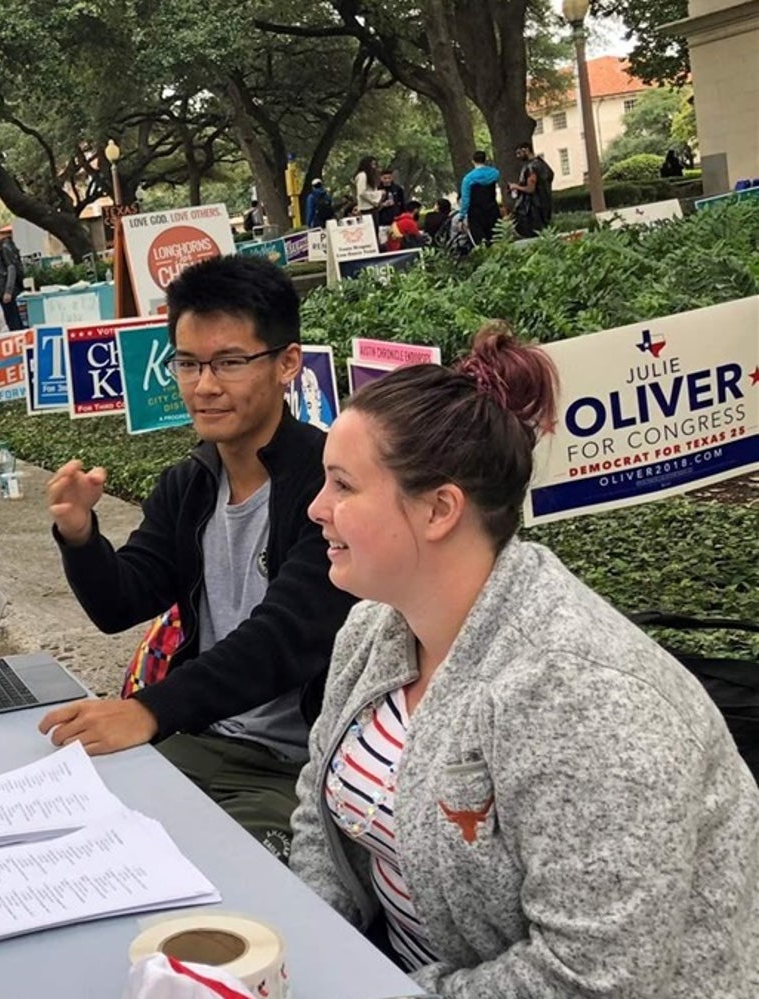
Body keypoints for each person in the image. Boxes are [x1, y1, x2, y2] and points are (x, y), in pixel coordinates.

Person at [292, 326, 759, 994]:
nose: (317, 507)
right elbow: (319, 806)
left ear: (439, 508)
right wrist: (316, 946)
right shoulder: (373, 629)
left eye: (342, 485)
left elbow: (599, 976)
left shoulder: (586, 698)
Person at [39, 255, 357, 859]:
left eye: (230, 362)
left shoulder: (328, 488)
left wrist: (148, 709)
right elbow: (121, 601)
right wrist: (81, 536)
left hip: (295, 768)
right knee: (74, 837)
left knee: (218, 880)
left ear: (288, 362)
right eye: (188, 363)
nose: (204, 385)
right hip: (203, 739)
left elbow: (284, 639)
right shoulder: (189, 484)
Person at [509, 144, 554, 238]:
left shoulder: (531, 167)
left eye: (519, 153)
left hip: (532, 209)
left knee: (533, 235)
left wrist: (516, 187)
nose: (518, 156)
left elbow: (530, 189)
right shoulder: (543, 164)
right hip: (545, 203)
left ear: (526, 150)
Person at [457, 152, 501, 247]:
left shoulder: (468, 179)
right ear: (485, 159)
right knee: (496, 238)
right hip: (492, 209)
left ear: (473, 161)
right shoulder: (494, 173)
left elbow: (465, 199)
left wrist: (462, 217)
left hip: (476, 213)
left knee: (481, 241)